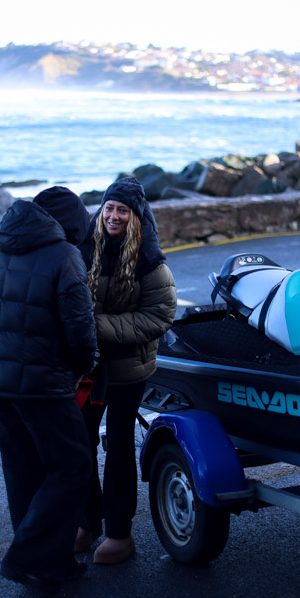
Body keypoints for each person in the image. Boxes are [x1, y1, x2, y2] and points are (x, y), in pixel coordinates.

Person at [0, 186, 98, 594]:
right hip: (45, 382)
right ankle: (26, 558)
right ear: (72, 224)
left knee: (22, 471)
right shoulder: (65, 256)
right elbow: (80, 329)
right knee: (72, 467)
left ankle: (48, 566)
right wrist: (83, 366)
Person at [76, 177, 177, 565]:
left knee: (118, 448)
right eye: (109, 209)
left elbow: (161, 314)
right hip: (90, 367)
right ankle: (88, 521)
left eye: (122, 210)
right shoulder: (85, 250)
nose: (113, 217)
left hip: (129, 368)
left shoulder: (150, 261)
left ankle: (120, 533)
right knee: (79, 441)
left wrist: (98, 326)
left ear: (135, 216)